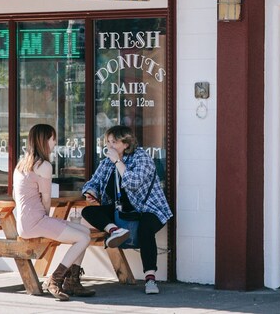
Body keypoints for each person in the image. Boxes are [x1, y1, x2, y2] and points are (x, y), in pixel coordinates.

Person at [81, 125, 171, 295]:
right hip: (120, 210)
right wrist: (91, 192)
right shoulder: (106, 163)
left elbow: (133, 182)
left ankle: (150, 279)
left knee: (145, 229)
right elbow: (92, 182)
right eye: (108, 142)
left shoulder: (141, 158)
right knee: (88, 212)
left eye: (114, 142)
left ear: (126, 143)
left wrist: (118, 162)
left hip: (149, 208)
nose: (110, 146)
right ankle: (115, 231)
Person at [13, 124, 94, 301]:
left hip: (25, 222)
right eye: (53, 138)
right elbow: (46, 199)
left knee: (85, 232)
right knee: (83, 238)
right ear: (44, 140)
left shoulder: (21, 164)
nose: (55, 142)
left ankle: (72, 282)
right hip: (36, 221)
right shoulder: (44, 165)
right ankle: (55, 279)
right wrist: (48, 220)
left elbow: (14, 195)